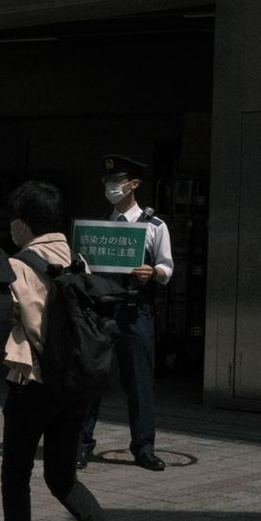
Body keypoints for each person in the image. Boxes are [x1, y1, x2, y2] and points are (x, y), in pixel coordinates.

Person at [0, 181, 132, 521]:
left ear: (21, 223)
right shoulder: (77, 260)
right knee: (62, 476)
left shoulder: (18, 265)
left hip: (33, 384)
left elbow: (12, 322)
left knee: (16, 473)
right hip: (76, 384)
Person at [79, 154, 172, 471]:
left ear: (134, 184)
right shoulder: (99, 229)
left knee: (140, 382)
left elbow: (167, 268)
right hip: (102, 310)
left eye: (117, 181)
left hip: (135, 310)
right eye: (108, 181)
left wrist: (153, 272)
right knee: (92, 377)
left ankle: (144, 448)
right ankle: (81, 444)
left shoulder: (153, 225)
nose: (111, 187)